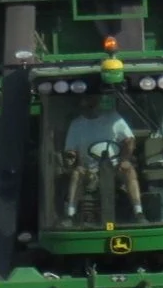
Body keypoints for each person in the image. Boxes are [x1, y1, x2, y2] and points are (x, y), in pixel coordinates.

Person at [61, 93, 144, 221]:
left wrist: (125, 160)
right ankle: (70, 214)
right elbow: (70, 150)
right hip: (91, 171)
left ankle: (139, 213)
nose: (91, 104)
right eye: (87, 100)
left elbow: (130, 140)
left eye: (93, 99)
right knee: (78, 173)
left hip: (115, 166)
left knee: (129, 170)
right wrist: (71, 159)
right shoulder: (76, 125)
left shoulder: (113, 118)